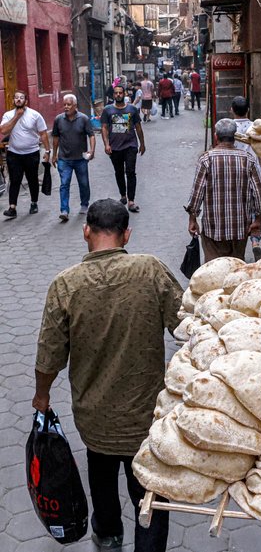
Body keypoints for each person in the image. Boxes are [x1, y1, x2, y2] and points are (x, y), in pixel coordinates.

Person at [33, 198, 181, 552]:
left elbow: (49, 353)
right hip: (145, 417)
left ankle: (109, 535)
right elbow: (186, 325)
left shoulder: (65, 285)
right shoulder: (151, 270)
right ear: (126, 235)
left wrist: (42, 395)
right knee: (150, 491)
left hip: (94, 417)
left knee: (100, 477)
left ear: (86, 232)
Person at [185, 118, 261, 261]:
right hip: (240, 229)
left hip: (213, 228)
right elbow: (258, 194)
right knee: (236, 267)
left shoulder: (206, 159)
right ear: (235, 137)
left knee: (214, 268)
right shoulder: (248, 159)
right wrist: (258, 219)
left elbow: (196, 194)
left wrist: (192, 219)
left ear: (216, 136)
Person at [0, 90, 50, 218]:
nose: (18, 100)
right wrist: (16, 116)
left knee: (32, 179)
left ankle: (34, 203)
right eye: (16, 98)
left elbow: (43, 133)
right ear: (13, 101)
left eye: (21, 98)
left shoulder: (35, 115)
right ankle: (12, 208)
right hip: (14, 153)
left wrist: (48, 151)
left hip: (31, 153)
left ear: (26, 101)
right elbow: (4, 131)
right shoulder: (8, 115)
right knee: (15, 180)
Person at [50, 94, 96, 222]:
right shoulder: (58, 119)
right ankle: (64, 210)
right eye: (64, 104)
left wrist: (91, 151)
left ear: (75, 106)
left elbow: (91, 135)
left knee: (84, 183)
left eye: (68, 104)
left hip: (80, 159)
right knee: (64, 184)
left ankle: (84, 204)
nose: (66, 107)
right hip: (64, 158)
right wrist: (54, 155)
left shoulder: (84, 119)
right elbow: (55, 138)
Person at [101, 84, 146, 213]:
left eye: (121, 93)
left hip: (130, 145)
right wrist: (106, 144)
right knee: (119, 172)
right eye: (116, 93)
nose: (118, 95)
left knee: (131, 172)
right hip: (115, 147)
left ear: (124, 94)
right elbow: (104, 127)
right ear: (113, 95)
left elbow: (138, 127)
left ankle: (131, 200)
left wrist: (142, 143)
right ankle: (123, 195)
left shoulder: (132, 109)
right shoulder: (107, 110)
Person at [229, 96, 261, 257]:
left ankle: (238, 238)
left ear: (232, 110)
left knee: (238, 205)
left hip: (235, 170)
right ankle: (255, 241)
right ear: (248, 110)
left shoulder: (228, 128)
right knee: (255, 203)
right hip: (254, 169)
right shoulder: (255, 127)